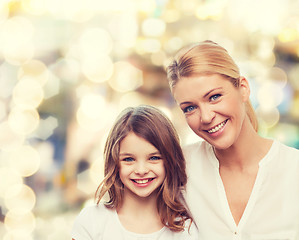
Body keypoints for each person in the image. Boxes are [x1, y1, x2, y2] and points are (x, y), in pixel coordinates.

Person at [166, 40, 299, 239]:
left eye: (214, 97)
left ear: (243, 88)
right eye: (190, 108)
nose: (206, 117)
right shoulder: (179, 169)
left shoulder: (293, 169)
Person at [71, 105, 198, 240]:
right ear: (114, 162)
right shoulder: (92, 221)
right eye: (129, 159)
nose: (141, 170)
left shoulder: (185, 229)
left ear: (170, 160)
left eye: (154, 158)